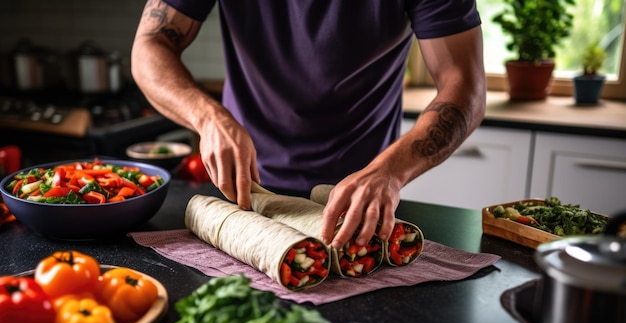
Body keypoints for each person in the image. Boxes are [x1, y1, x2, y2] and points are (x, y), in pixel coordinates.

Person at [131, 0, 486, 252]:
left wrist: (390, 172)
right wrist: (208, 117)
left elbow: (465, 87)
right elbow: (150, 45)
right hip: (243, 191)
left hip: (363, 196)